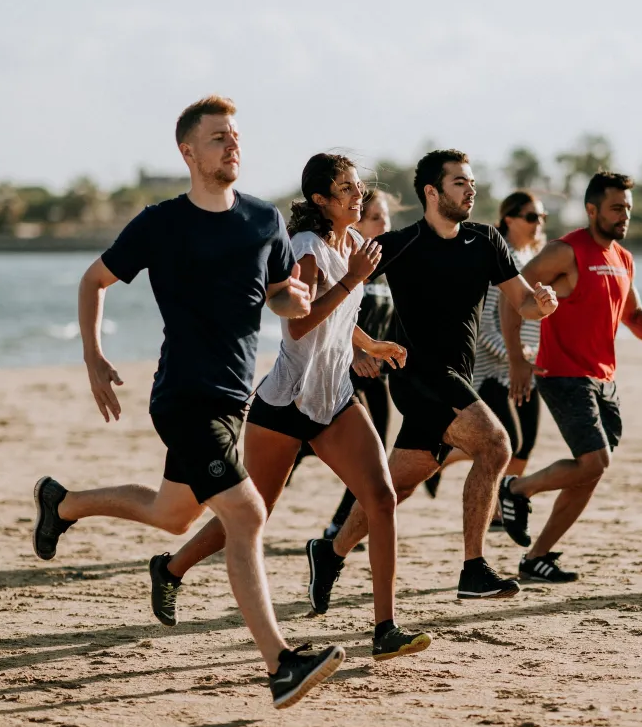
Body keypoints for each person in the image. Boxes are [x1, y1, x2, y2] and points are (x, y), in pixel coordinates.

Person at [29, 96, 345, 709]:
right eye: (219, 138)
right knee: (247, 515)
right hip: (183, 397)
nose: (233, 146)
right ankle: (280, 663)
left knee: (172, 516)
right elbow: (93, 280)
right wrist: (93, 357)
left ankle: (61, 503)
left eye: (236, 136)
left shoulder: (264, 220)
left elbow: (281, 293)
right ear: (188, 152)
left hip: (233, 399)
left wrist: (295, 303)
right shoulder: (161, 222)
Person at [150, 155, 432, 663]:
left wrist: (370, 346)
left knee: (382, 498)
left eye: (357, 186)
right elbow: (299, 325)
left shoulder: (353, 247)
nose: (357, 194)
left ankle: (385, 627)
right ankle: (171, 569)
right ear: (321, 201)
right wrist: (352, 280)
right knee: (252, 513)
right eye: (344, 189)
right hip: (284, 403)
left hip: (334, 399)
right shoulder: (305, 249)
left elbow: (339, 319)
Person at [305, 149, 560, 611]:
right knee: (496, 445)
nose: (471, 189)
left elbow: (522, 302)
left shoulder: (486, 241)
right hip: (418, 374)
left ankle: (330, 552)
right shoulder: (400, 244)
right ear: (432, 191)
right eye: (460, 182)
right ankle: (473, 569)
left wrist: (542, 304)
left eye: (471, 182)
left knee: (396, 486)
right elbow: (338, 296)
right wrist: (359, 348)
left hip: (455, 376)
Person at [496, 171, 642, 584]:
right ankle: (517, 489)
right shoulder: (564, 251)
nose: (624, 216)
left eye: (628, 209)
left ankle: (537, 557)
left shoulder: (623, 258)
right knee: (594, 460)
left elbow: (633, 317)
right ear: (592, 210)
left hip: (604, 378)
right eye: (616, 208)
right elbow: (511, 296)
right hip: (563, 373)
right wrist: (516, 358)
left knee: (591, 470)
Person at [425, 191, 548, 508]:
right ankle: (438, 462)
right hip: (495, 370)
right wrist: (515, 357)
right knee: (508, 441)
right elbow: (484, 326)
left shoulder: (530, 259)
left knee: (525, 444)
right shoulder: (501, 258)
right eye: (532, 217)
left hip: (527, 366)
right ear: (510, 219)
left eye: (542, 218)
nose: (539, 224)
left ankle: (499, 509)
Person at [321, 188, 399, 539]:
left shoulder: (386, 269)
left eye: (387, 217)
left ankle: (339, 522)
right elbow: (328, 314)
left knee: (374, 455)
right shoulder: (348, 265)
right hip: (344, 375)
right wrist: (356, 353)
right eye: (376, 218)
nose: (385, 225)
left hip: (376, 378)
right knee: (354, 455)